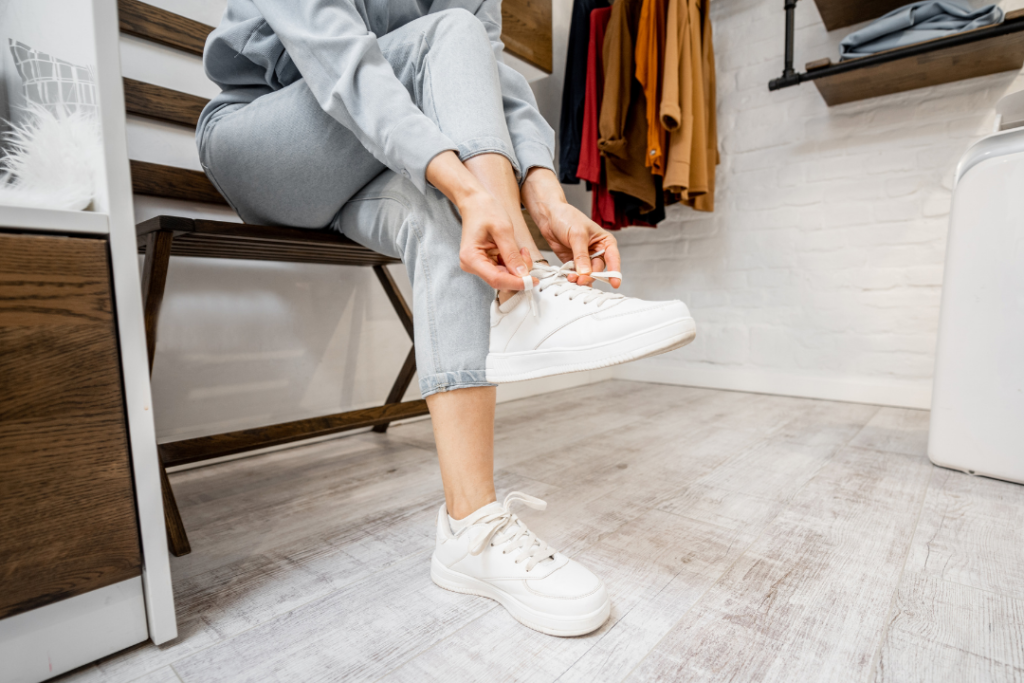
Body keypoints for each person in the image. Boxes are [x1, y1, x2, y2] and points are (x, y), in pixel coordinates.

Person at [197, 0, 695, 637]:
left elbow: (488, 79)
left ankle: (470, 531)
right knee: (450, 47)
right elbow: (338, 58)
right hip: (268, 144)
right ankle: (522, 293)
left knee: (444, 213)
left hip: (377, 146)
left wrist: (545, 192)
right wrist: (471, 191)